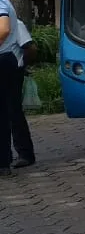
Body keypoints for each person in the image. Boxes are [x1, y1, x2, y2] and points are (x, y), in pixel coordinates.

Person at [0, 0, 31, 176]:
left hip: (6, 61)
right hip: (9, 63)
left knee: (9, 112)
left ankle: (8, 159)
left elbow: (3, 29)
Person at [9, 17, 34, 169]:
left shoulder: (15, 23)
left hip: (12, 71)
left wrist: (22, 65)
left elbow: (29, 47)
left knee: (14, 112)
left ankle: (25, 153)